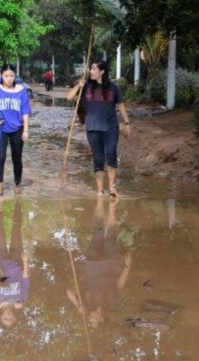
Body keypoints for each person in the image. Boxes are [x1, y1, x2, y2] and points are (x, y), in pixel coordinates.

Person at [66, 194, 132, 330]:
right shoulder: (111, 303)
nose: (90, 320)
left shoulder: (86, 305)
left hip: (93, 263)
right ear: (101, 319)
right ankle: (112, 207)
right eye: (93, 322)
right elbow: (119, 285)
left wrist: (78, 304)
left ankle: (101, 200)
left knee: (97, 231)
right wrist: (127, 267)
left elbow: (68, 291)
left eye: (89, 322)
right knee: (111, 235)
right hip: (110, 263)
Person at [66, 60, 131, 197]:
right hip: (93, 128)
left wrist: (127, 123)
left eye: (94, 69)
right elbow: (69, 97)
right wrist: (78, 86)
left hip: (111, 127)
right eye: (91, 69)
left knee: (111, 154)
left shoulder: (113, 88)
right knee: (98, 158)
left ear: (102, 71)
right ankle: (100, 190)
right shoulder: (86, 86)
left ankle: (112, 187)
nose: (91, 71)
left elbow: (120, 105)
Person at [0, 64, 31, 196]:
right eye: (6, 76)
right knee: (0, 157)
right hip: (1, 128)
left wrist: (26, 130)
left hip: (17, 128)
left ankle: (17, 184)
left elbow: (25, 111)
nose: (9, 79)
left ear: (15, 76)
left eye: (11, 76)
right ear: (1, 76)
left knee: (16, 158)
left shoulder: (21, 91)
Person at [0, 199, 30, 328]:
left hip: (0, 261)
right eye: (10, 319)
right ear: (15, 317)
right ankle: (18, 202)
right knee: (16, 229)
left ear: (1, 317)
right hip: (17, 261)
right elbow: (26, 280)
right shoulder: (20, 300)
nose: (8, 316)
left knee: (0, 232)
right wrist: (25, 262)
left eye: (5, 319)